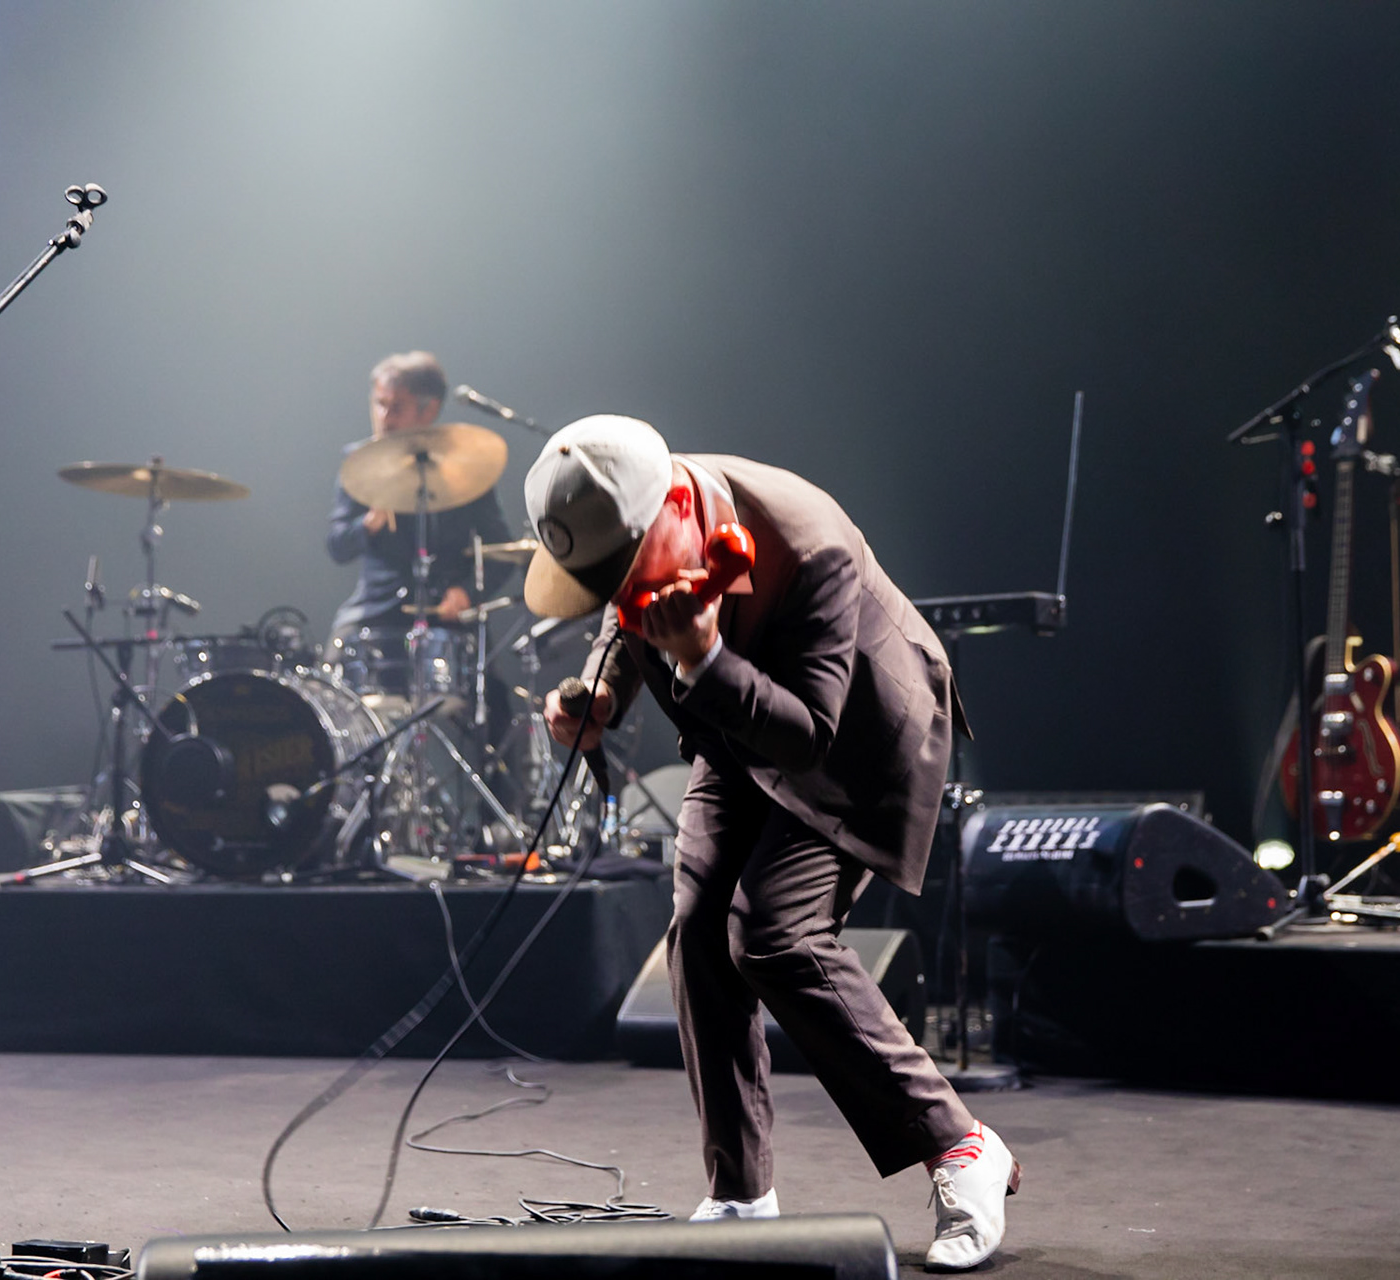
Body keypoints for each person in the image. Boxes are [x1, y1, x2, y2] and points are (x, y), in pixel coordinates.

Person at [526, 415, 1018, 1272]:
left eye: (627, 572)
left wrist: (705, 657)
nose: (621, 592)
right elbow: (622, 617)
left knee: (773, 934)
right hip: (735, 721)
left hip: (855, 735)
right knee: (699, 929)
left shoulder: (807, 542)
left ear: (673, 506)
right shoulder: (638, 522)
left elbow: (808, 736)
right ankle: (740, 1195)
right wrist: (601, 695)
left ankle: (963, 1146)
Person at [326, 351, 516, 676]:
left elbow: (502, 552)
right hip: (378, 609)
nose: (384, 416)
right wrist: (368, 524)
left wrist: (467, 593)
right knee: (328, 679)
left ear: (429, 409)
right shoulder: (360, 465)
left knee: (494, 706)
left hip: (446, 614)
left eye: (396, 406)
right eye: (379, 403)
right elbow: (337, 547)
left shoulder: (467, 470)